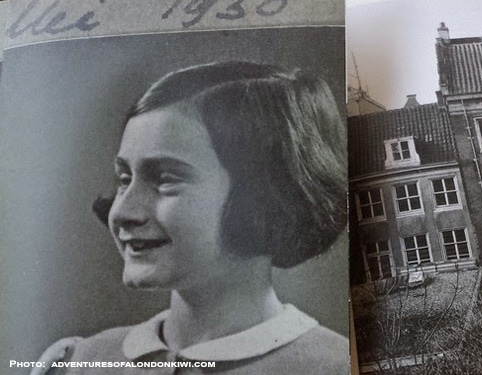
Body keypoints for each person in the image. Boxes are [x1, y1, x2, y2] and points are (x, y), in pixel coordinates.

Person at [32, 61, 349, 374]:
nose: (122, 212)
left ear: (263, 193)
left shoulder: (335, 366)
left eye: (166, 179)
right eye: (124, 179)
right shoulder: (80, 363)